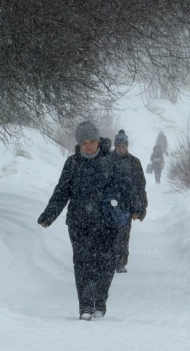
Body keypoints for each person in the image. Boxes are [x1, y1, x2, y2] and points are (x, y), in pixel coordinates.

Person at [37, 120, 125, 321]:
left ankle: (100, 301)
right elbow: (61, 192)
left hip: (107, 222)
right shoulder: (72, 163)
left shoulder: (111, 160)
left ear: (98, 140)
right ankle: (85, 305)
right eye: (84, 142)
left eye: (92, 141)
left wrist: (133, 208)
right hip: (79, 222)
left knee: (105, 263)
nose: (88, 145)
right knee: (82, 264)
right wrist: (49, 216)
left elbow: (125, 189)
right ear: (78, 144)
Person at [111, 130, 147, 273]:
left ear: (127, 146)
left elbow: (140, 187)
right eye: (118, 146)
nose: (121, 149)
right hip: (109, 206)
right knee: (108, 235)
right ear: (115, 146)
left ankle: (120, 263)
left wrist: (139, 209)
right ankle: (108, 261)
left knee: (123, 235)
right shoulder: (108, 160)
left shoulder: (134, 163)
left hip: (126, 206)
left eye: (123, 146)